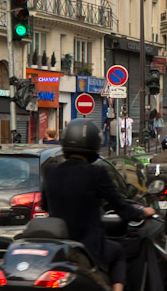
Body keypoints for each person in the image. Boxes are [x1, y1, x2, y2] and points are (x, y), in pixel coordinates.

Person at [41, 120, 153, 291]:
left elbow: (45, 206)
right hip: (89, 248)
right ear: (94, 143)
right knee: (118, 253)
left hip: (59, 249)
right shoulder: (96, 173)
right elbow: (121, 207)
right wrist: (143, 212)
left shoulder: (50, 171)